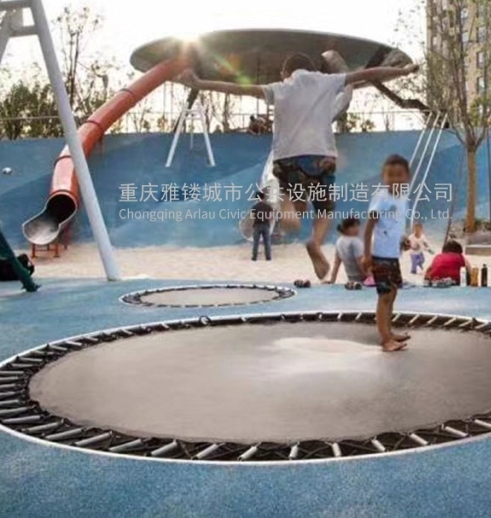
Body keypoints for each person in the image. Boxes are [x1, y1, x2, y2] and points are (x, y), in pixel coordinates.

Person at [179, 55, 419, 280]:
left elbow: (239, 89)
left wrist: (200, 83)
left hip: (288, 159)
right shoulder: (326, 81)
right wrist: (403, 70)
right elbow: (369, 73)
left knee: (295, 206)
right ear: (313, 70)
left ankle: (288, 213)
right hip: (321, 158)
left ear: (285, 72)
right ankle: (315, 241)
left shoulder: (280, 88)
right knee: (324, 210)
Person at [363, 154, 412, 352]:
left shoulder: (403, 198)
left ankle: (389, 332)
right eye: (390, 175)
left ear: (407, 176)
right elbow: (369, 227)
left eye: (399, 175)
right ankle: (385, 339)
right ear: (384, 177)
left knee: (392, 293)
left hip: (393, 255)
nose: (394, 179)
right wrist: (367, 255)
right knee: (384, 296)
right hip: (380, 255)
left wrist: (403, 240)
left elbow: (394, 226)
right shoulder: (381, 197)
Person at [324, 217, 367, 285]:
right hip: (362, 278)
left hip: (351, 278)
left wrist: (332, 280)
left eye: (358, 227)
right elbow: (360, 262)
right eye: (355, 227)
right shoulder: (355, 242)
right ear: (348, 228)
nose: (357, 229)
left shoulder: (339, 241)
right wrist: (367, 277)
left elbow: (337, 263)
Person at [250, 191, 273, 261]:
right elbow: (271, 217)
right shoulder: (268, 207)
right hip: (266, 225)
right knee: (267, 242)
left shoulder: (254, 207)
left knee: (256, 243)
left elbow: (252, 217)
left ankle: (254, 257)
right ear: (263, 197)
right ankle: (268, 257)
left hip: (257, 225)